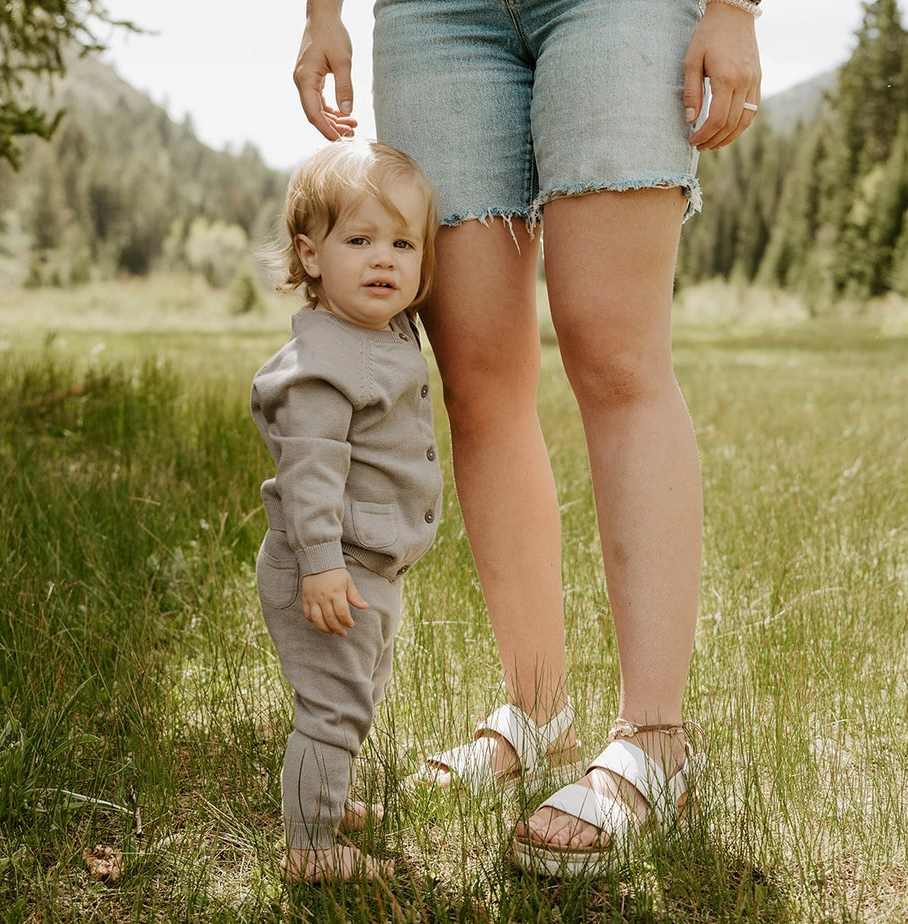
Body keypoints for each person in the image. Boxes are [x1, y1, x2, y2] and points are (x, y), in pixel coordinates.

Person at [294, 0, 761, 877]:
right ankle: (538, 713)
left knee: (615, 355)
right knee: (475, 381)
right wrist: (323, 13)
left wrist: (734, 9)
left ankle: (655, 742)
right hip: (433, 18)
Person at [251, 140, 443, 882]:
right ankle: (309, 849)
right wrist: (322, 567)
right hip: (332, 570)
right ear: (309, 255)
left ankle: (325, 800)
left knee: (355, 697)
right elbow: (308, 474)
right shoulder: (324, 363)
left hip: (368, 568)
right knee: (330, 709)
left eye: (403, 243)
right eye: (358, 240)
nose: (383, 259)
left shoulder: (382, 328)